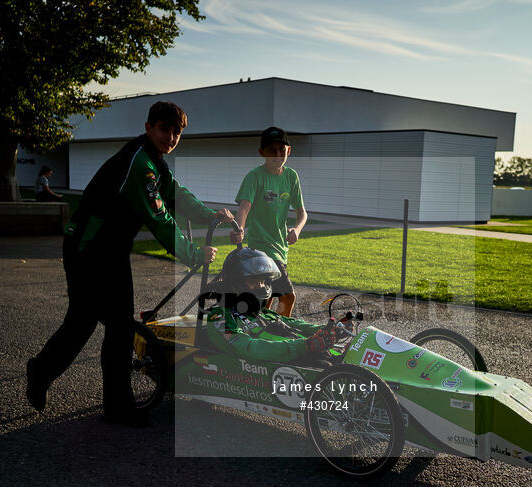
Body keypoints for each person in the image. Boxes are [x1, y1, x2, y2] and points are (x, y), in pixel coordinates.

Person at [27, 101, 235, 426]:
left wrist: (209, 215)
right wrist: (193, 254)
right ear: (149, 126)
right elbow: (160, 218)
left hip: (111, 250)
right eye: (164, 129)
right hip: (87, 248)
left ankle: (116, 406)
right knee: (83, 322)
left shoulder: (153, 160)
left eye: (176, 132)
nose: (170, 137)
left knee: (120, 327)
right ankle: (41, 372)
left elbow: (174, 193)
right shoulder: (140, 163)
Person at [205, 248, 345, 362]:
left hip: (286, 361)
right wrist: (304, 346)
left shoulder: (254, 310)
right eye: (254, 281)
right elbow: (250, 348)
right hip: (251, 373)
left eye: (262, 281)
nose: (261, 287)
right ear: (236, 282)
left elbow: (293, 323)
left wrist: (328, 330)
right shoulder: (220, 317)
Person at [231, 126, 307, 318]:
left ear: (289, 151)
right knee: (287, 297)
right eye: (271, 150)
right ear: (261, 152)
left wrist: (297, 230)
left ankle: (259, 327)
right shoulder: (255, 177)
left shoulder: (291, 177)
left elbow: (302, 212)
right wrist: (239, 229)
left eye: (282, 149)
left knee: (266, 298)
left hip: (282, 249)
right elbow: (244, 207)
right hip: (261, 249)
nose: (277, 154)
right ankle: (282, 328)